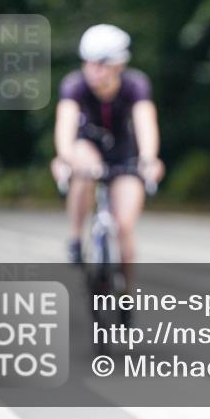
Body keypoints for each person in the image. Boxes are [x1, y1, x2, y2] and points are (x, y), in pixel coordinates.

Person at [50, 24, 164, 281]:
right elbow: (65, 125)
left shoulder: (135, 85)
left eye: (101, 64)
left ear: (118, 65)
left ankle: (127, 293)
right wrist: (63, 158)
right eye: (88, 63)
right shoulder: (74, 85)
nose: (93, 71)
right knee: (83, 163)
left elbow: (146, 123)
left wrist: (149, 159)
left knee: (124, 225)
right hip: (87, 149)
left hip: (124, 155)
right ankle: (76, 238)